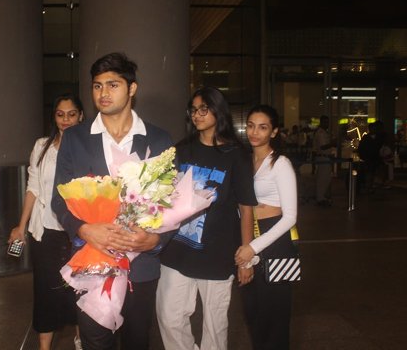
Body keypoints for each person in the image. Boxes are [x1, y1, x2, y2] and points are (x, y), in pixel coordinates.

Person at [52, 52, 174, 350]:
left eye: (112, 84)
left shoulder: (159, 140)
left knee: (136, 341)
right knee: (95, 341)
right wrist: (83, 229)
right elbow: (59, 199)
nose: (103, 93)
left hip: (141, 264)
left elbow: (173, 203)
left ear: (132, 88)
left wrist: (155, 240)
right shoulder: (76, 138)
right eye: (97, 86)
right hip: (92, 259)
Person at [156, 87, 257, 350]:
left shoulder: (236, 155)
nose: (197, 115)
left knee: (215, 325)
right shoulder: (181, 150)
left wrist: (247, 256)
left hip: (218, 251)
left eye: (204, 109)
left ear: (218, 111)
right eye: (194, 110)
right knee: (169, 317)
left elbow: (246, 208)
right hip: (177, 249)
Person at [8, 94, 84, 350]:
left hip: (78, 233)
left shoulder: (89, 148)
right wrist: (21, 226)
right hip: (46, 232)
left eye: (71, 114)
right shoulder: (42, 146)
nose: (66, 120)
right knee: (45, 292)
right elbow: (33, 187)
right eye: (60, 114)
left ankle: (81, 337)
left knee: (79, 291)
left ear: (81, 116)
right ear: (54, 117)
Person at [235, 105, 298, 350]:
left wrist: (253, 248)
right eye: (250, 125)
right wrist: (247, 247)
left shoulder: (280, 164)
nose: (254, 132)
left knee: (275, 315)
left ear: (274, 132)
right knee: (253, 311)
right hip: (249, 232)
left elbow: (290, 216)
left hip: (274, 239)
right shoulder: (244, 161)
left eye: (262, 127)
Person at [312, 115, 335, 206]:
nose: (327, 124)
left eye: (328, 122)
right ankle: (320, 198)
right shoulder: (321, 133)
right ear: (321, 122)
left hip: (325, 157)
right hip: (323, 157)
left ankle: (322, 197)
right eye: (325, 122)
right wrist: (333, 143)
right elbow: (323, 146)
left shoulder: (324, 132)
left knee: (325, 178)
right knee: (323, 179)